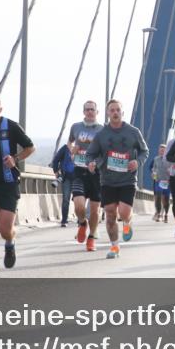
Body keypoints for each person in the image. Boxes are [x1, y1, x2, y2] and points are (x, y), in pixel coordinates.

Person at [0, 93, 35, 278]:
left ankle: (10, 244)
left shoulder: (10, 127)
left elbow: (30, 147)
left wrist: (15, 159)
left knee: (4, 229)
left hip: (8, 183)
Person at [86, 99, 148, 259]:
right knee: (110, 214)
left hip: (127, 179)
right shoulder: (101, 135)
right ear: (107, 113)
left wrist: (137, 162)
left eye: (117, 110)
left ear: (122, 112)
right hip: (107, 180)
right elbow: (90, 154)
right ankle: (114, 246)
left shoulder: (133, 131)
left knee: (124, 212)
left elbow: (144, 151)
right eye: (112, 110)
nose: (115, 113)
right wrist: (91, 163)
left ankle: (127, 223)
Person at [69, 101, 103, 251]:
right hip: (79, 171)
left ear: (97, 112)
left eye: (92, 110)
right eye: (87, 110)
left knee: (95, 211)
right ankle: (82, 222)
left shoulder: (102, 130)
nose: (90, 112)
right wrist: (72, 150)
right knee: (79, 206)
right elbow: (69, 142)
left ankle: (91, 237)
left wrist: (98, 161)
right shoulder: (76, 126)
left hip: (96, 174)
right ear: (84, 112)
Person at [50, 142, 76, 226]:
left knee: (78, 199)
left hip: (78, 178)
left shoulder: (80, 148)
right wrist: (56, 171)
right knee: (66, 199)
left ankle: (80, 220)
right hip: (66, 177)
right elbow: (56, 160)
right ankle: (64, 220)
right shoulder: (64, 148)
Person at [150, 144, 171, 222]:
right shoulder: (156, 159)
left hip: (167, 181)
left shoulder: (169, 159)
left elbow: (173, 169)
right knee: (158, 197)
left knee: (166, 199)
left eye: (163, 150)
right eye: (161, 150)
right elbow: (154, 168)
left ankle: (166, 214)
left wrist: (171, 174)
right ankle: (158, 214)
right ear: (159, 150)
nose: (162, 151)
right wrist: (153, 174)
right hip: (158, 181)